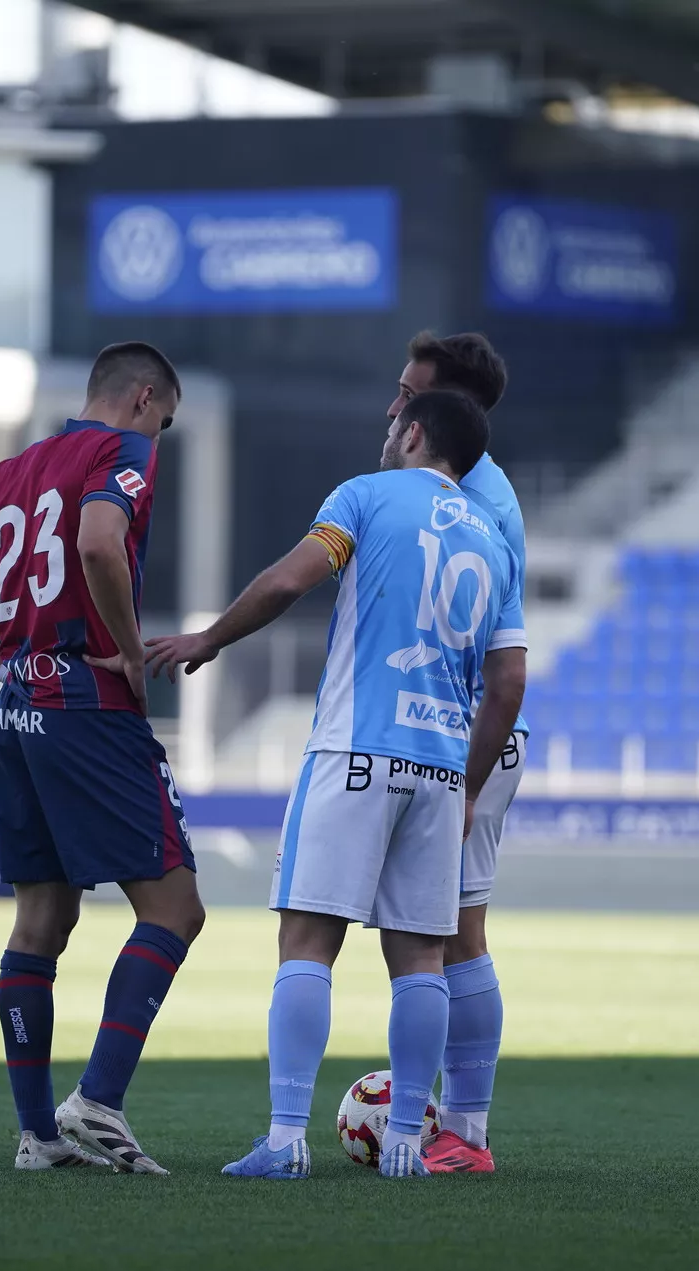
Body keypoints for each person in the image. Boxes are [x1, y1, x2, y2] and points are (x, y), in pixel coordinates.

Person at [147, 389, 528, 1181]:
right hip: (440, 766)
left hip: (356, 748)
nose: (387, 430)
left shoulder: (365, 495)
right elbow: (508, 681)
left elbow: (290, 581)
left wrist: (210, 639)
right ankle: (405, 1144)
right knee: (421, 956)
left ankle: (286, 1139)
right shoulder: (495, 541)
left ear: (414, 433)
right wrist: (467, 786)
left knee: (308, 943)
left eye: (395, 421)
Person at [0, 341, 205, 1175]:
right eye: (165, 420)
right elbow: (99, 543)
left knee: (41, 922)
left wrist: (12, 668)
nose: (159, 435)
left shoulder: (12, 471)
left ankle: (36, 1135)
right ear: (144, 398)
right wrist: (128, 654)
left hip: (17, 712)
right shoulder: (124, 451)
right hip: (88, 705)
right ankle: (99, 1100)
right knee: (175, 909)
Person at [387, 330, 523, 1175]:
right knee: (438, 930)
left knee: (456, 933)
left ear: (450, 407)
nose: (394, 407)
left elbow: (501, 663)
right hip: (443, 731)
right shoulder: (465, 493)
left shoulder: (478, 504)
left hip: (465, 735)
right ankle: (453, 1123)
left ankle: (466, 1134)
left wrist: (468, 779)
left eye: (409, 394)